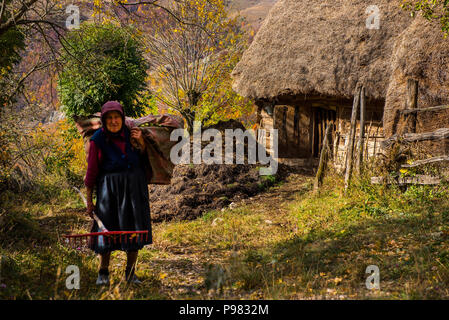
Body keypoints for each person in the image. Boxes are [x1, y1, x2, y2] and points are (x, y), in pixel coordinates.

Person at [84, 101, 152, 285]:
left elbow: (146, 158)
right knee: (106, 230)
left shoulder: (132, 134)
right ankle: (103, 273)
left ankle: (130, 273)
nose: (114, 121)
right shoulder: (97, 140)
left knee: (134, 229)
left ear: (122, 118)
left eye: (117, 117)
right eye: (109, 118)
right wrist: (90, 201)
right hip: (109, 190)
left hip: (134, 189)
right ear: (104, 120)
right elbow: (91, 172)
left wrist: (142, 142)